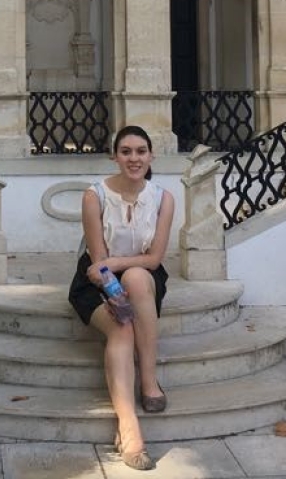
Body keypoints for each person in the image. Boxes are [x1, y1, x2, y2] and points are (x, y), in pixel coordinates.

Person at [69, 125, 175, 471]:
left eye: (140, 151)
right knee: (122, 329)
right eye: (126, 151)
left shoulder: (163, 198)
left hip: (140, 274)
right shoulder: (94, 196)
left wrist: (117, 264)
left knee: (138, 277)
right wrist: (113, 286)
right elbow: (99, 264)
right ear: (115, 156)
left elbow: (155, 258)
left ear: (150, 156)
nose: (134, 158)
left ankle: (148, 378)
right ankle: (129, 429)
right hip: (96, 280)